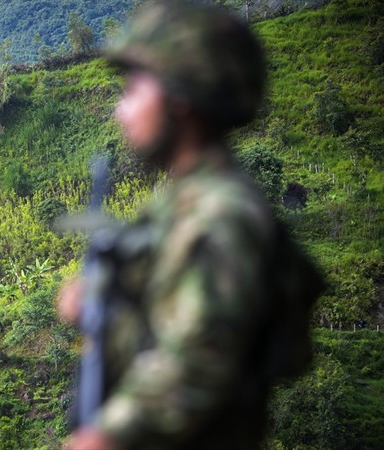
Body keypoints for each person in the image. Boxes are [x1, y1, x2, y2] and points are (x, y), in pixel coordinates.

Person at [58, 2, 322, 449]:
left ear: (180, 96)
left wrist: (108, 436)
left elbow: (202, 358)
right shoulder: (183, 205)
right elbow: (169, 322)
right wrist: (102, 309)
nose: (122, 111)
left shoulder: (221, 213)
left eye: (134, 89)